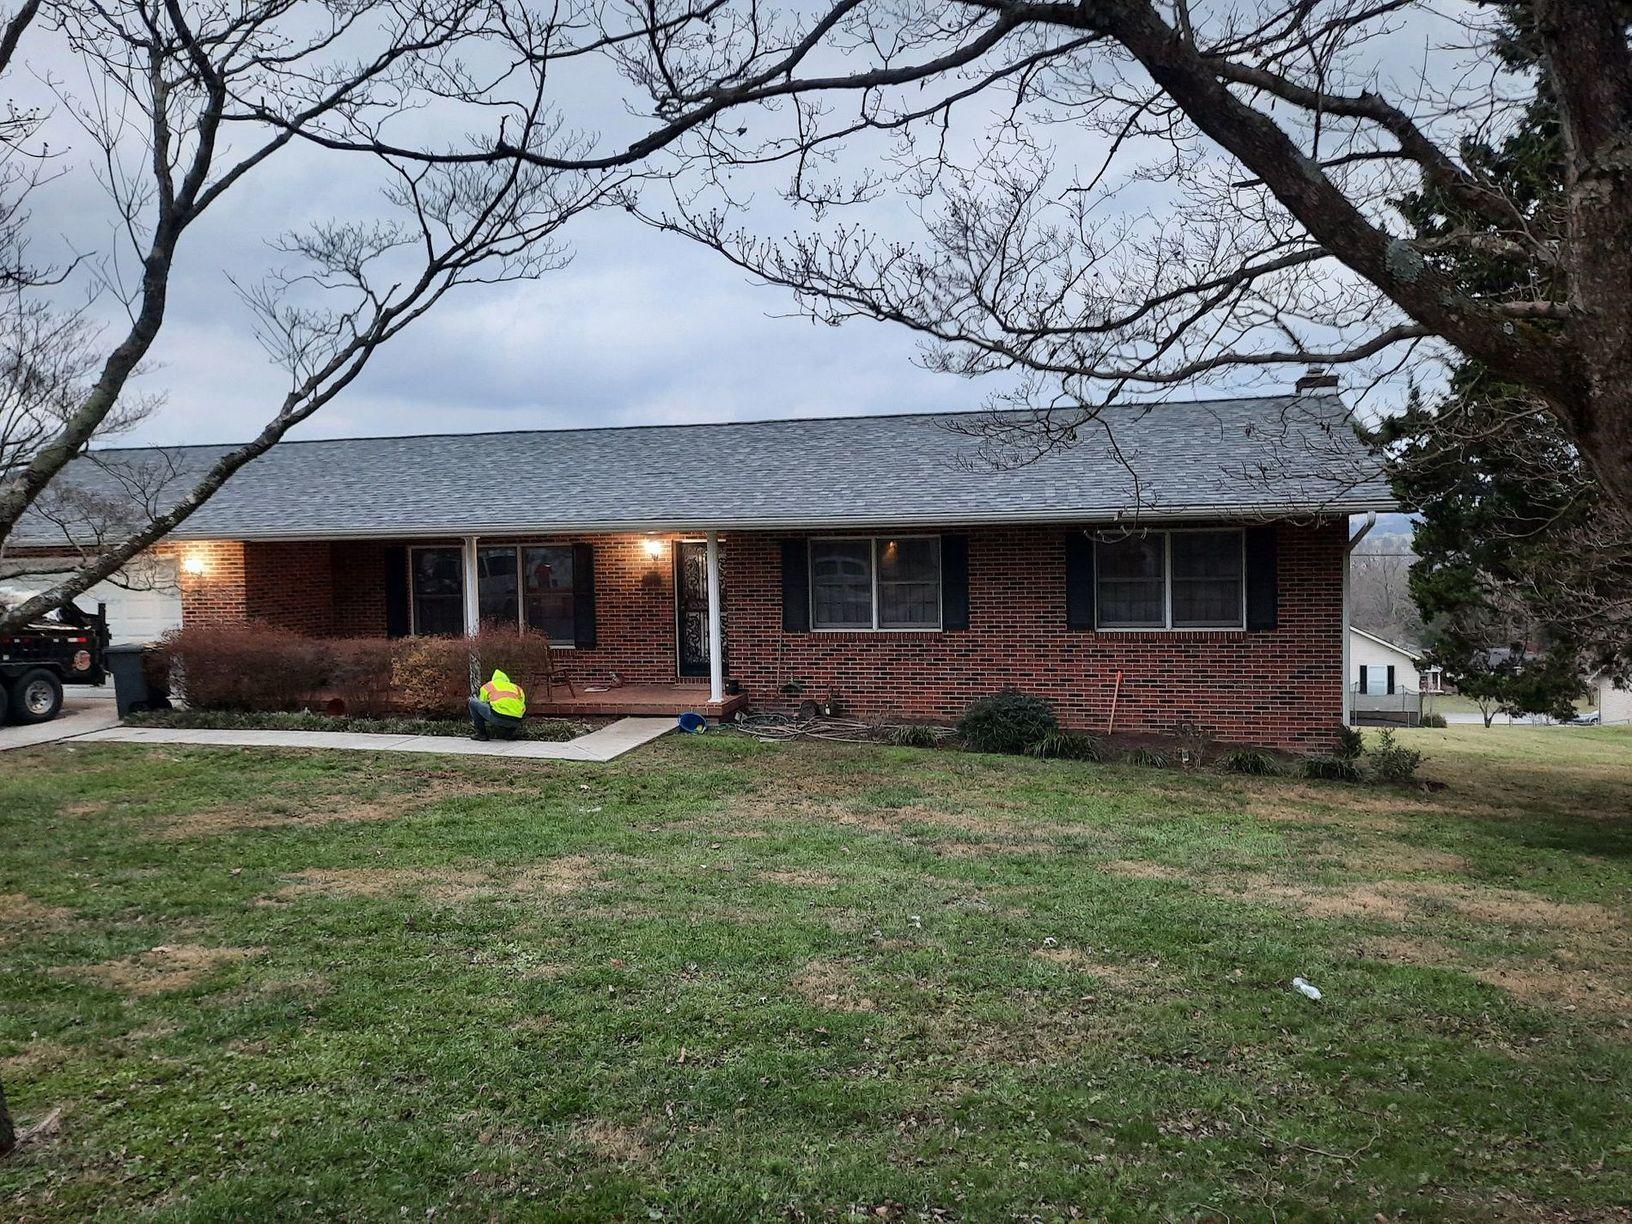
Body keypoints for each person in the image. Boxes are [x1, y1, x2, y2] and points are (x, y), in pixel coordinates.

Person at [469, 668, 526, 741]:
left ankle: (481, 734)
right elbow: (522, 704)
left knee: (473, 703)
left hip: (497, 717)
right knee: (517, 709)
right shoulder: (517, 688)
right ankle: (509, 734)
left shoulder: (488, 686)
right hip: (516, 721)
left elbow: (482, 702)